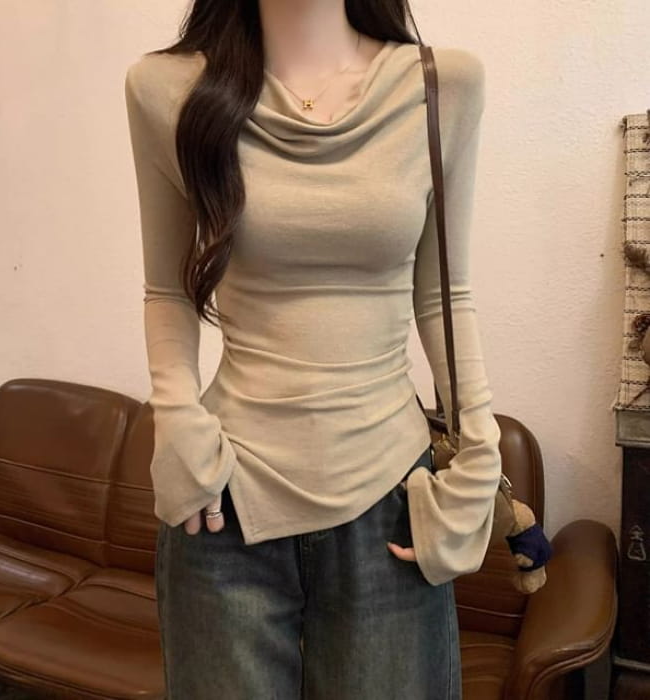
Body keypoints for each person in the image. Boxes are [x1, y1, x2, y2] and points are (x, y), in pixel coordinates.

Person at [124, 1, 502, 698]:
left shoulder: (441, 85)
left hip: (391, 499)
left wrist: (481, 448)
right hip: (224, 500)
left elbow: (445, 294)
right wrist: (173, 416)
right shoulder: (167, 90)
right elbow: (167, 289)